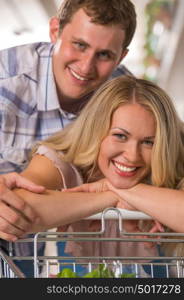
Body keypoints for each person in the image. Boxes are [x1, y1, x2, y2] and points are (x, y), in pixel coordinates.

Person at [0, 0, 137, 276]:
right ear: (55, 31)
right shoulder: (6, 80)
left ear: (121, 56)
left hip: (32, 254)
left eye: (104, 55)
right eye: (80, 45)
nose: (86, 67)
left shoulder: (125, 99)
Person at [6, 75, 184, 277]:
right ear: (96, 130)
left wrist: (118, 188)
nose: (132, 156)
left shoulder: (173, 161)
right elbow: (16, 210)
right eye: (120, 136)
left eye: (149, 143)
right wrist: (109, 197)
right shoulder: (60, 159)